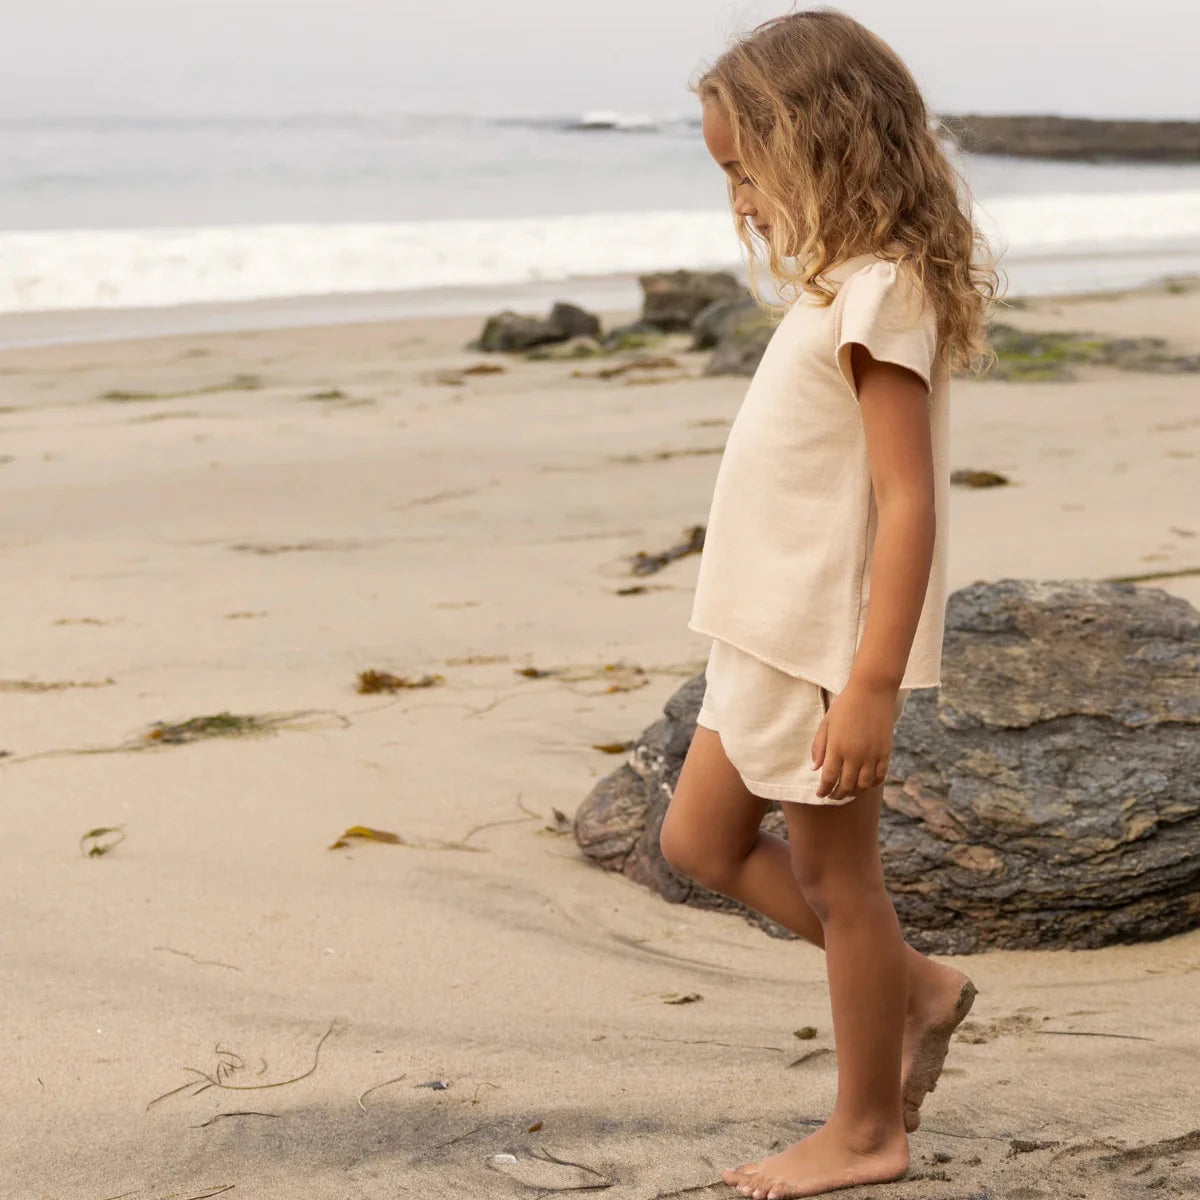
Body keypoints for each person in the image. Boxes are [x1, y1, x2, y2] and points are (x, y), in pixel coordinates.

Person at [658, 9, 1001, 1198]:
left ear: (821, 137)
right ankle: (913, 985)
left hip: (819, 647)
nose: (741, 198)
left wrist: (869, 686)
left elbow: (908, 504)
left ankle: (866, 1130)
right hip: (759, 627)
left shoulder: (885, 294)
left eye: (746, 166)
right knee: (694, 841)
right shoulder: (836, 287)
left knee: (840, 887)